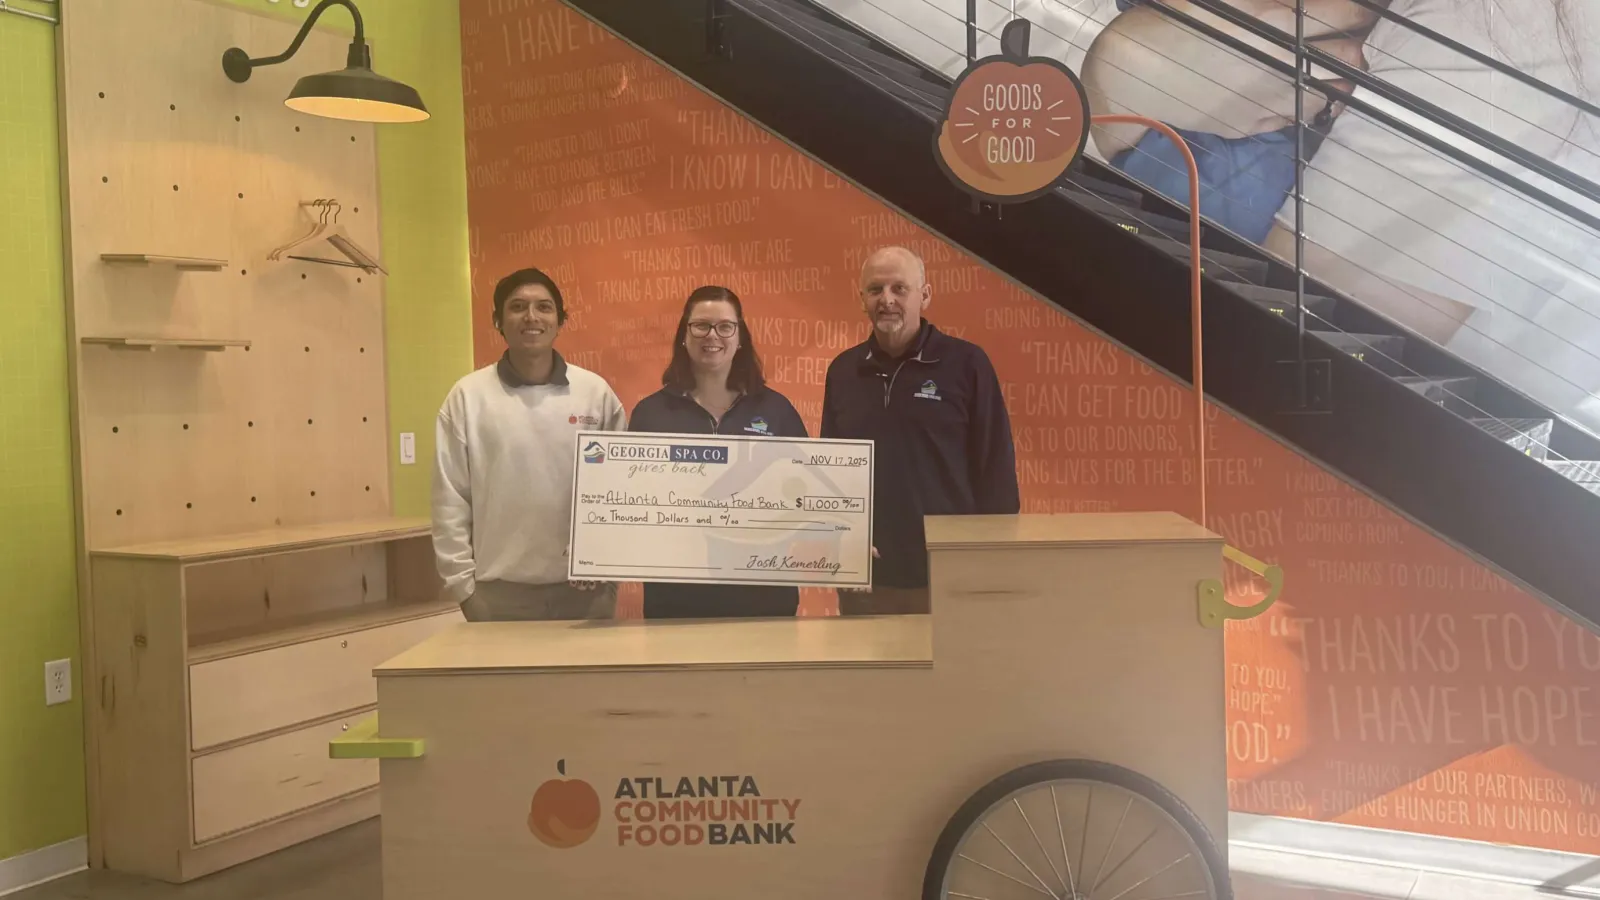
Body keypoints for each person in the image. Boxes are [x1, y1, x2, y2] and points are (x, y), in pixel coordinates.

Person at [821, 246, 1021, 615]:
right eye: (875, 289)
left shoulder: (967, 364)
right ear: (861, 297)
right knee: (870, 674)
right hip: (868, 580)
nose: (887, 300)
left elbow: (996, 471)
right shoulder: (843, 371)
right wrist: (839, 542)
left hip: (951, 578)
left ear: (925, 295)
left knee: (961, 673)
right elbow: (831, 473)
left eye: (900, 288)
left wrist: (992, 562)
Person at [432, 267, 628, 622]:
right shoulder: (467, 397)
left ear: (561, 319)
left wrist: (609, 572)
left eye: (544, 307)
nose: (531, 317)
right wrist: (464, 590)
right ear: (498, 320)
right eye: (518, 307)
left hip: (585, 593)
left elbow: (621, 491)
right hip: (498, 596)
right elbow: (450, 499)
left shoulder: (595, 394)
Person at [629, 285, 810, 619]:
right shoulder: (650, 414)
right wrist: (592, 544)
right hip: (676, 600)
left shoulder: (777, 410)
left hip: (763, 600)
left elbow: (808, 492)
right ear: (684, 335)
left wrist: (848, 538)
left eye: (725, 326)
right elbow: (627, 500)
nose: (712, 335)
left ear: (740, 338)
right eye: (700, 325)